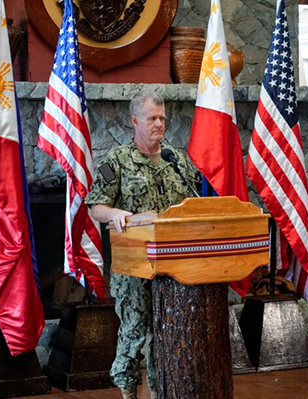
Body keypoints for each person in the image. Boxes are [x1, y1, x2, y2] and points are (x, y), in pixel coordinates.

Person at [85, 91, 195, 399]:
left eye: (162, 118)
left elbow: (192, 204)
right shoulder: (117, 161)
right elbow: (95, 206)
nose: (160, 124)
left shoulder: (177, 160)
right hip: (134, 268)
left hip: (173, 267)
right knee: (134, 334)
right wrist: (117, 213)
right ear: (135, 121)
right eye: (152, 118)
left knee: (166, 335)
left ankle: (162, 391)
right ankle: (128, 391)